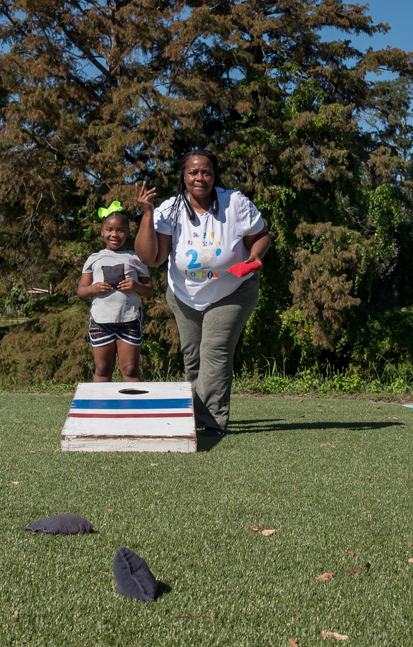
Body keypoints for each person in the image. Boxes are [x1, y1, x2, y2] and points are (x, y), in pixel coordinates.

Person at [134, 148, 271, 435]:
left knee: (214, 351)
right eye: (193, 172)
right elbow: (152, 258)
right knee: (193, 356)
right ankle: (193, 418)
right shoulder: (170, 209)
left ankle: (212, 424)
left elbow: (260, 236)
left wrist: (256, 256)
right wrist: (148, 213)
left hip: (232, 289)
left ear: (214, 175)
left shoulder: (234, 203)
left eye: (206, 172)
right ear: (183, 176)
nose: (200, 177)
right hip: (185, 294)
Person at [76, 203, 154, 383]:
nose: (114, 234)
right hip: (101, 322)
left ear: (127, 232)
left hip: (129, 321)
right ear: (102, 232)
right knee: (102, 369)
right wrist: (93, 289)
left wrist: (136, 286)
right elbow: (81, 291)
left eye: (120, 230)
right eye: (109, 229)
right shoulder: (93, 259)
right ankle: (100, 410)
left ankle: (135, 411)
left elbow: (149, 291)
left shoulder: (136, 258)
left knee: (130, 370)